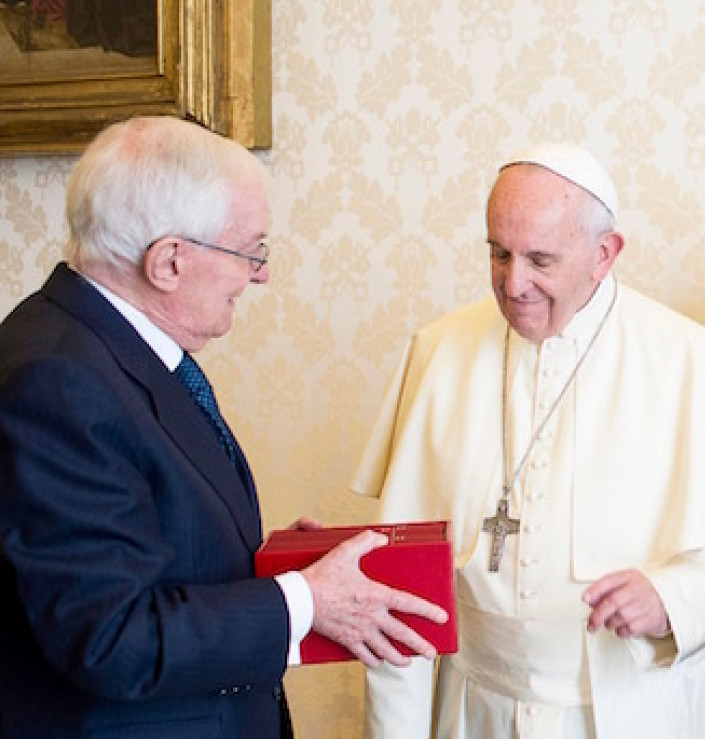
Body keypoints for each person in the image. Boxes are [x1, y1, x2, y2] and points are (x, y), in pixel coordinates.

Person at [0, 116, 447, 739]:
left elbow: (137, 545)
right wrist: (303, 601)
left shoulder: (99, 347)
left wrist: (277, 568)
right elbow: (110, 639)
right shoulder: (58, 381)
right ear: (169, 262)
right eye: (250, 250)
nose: (260, 274)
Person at [354, 142, 705, 738]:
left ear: (605, 253)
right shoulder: (439, 352)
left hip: (643, 711)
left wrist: (671, 597)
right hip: (478, 712)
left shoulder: (697, 364)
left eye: (540, 260)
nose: (513, 283)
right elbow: (402, 583)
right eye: (499, 253)